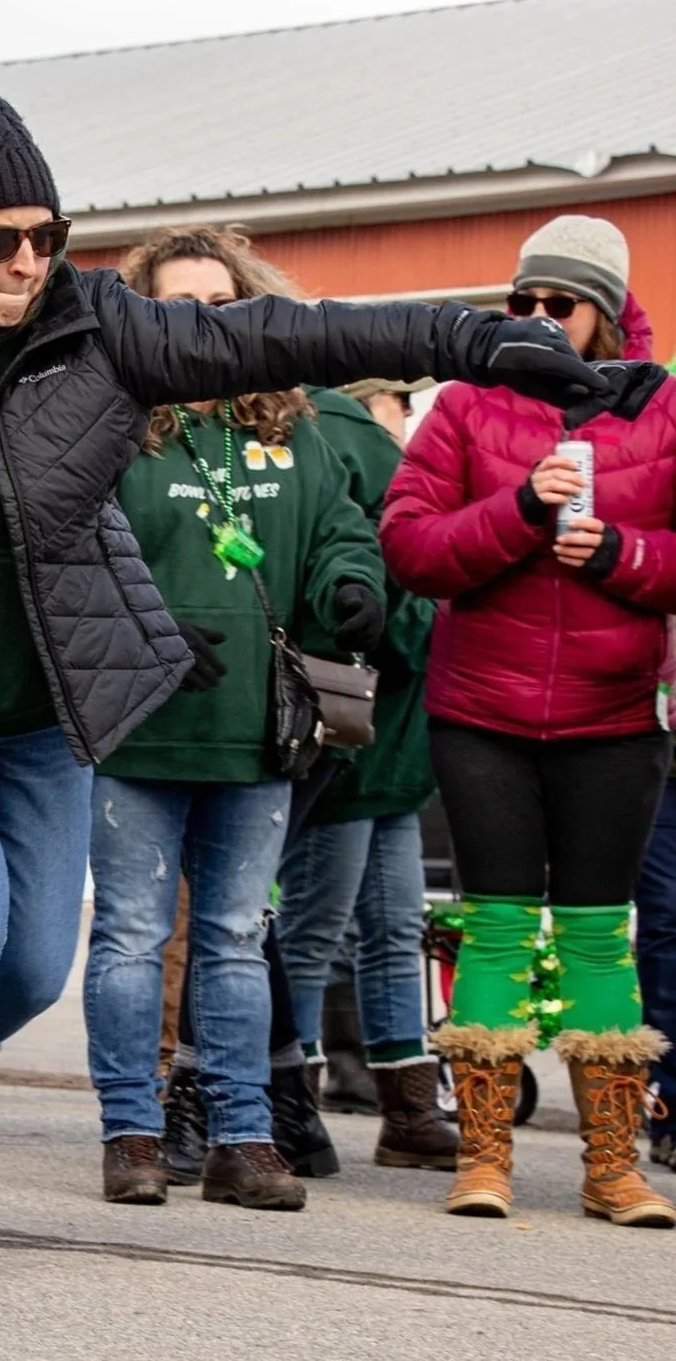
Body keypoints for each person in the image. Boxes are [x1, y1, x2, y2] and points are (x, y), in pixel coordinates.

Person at [0, 84, 646, 1290]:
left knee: (32, 965)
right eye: (1, 241)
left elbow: (296, 336)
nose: (30, 261)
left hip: (42, 691)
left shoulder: (103, 331)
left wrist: (474, 341)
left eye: (48, 236)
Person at [381, 215, 676, 1226]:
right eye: (523, 303)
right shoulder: (465, 405)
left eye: (561, 303)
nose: (539, 319)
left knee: (600, 937)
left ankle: (610, 1166)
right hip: (483, 712)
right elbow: (409, 547)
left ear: (606, 311)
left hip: (613, 713)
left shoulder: (664, 409)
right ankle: (484, 1157)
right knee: (495, 929)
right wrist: (517, 510)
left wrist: (618, 555)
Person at [84, 225, 385, 1214]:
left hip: (259, 727)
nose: (202, 322)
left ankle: (241, 1137)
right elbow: (61, 555)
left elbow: (343, 529)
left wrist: (349, 587)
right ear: (144, 315)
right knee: (130, 934)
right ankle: (130, 1131)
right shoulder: (107, 418)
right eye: (178, 306)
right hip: (138, 724)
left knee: (231, 934)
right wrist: (146, 630)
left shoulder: (291, 426)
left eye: (220, 302)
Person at [275, 376, 459, 1173]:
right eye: (405, 403)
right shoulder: (355, 439)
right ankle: (308, 1102)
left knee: (363, 930)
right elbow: (393, 587)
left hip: (374, 740)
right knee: (342, 932)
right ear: (378, 397)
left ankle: (387, 1105)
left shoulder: (334, 435)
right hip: (368, 738)